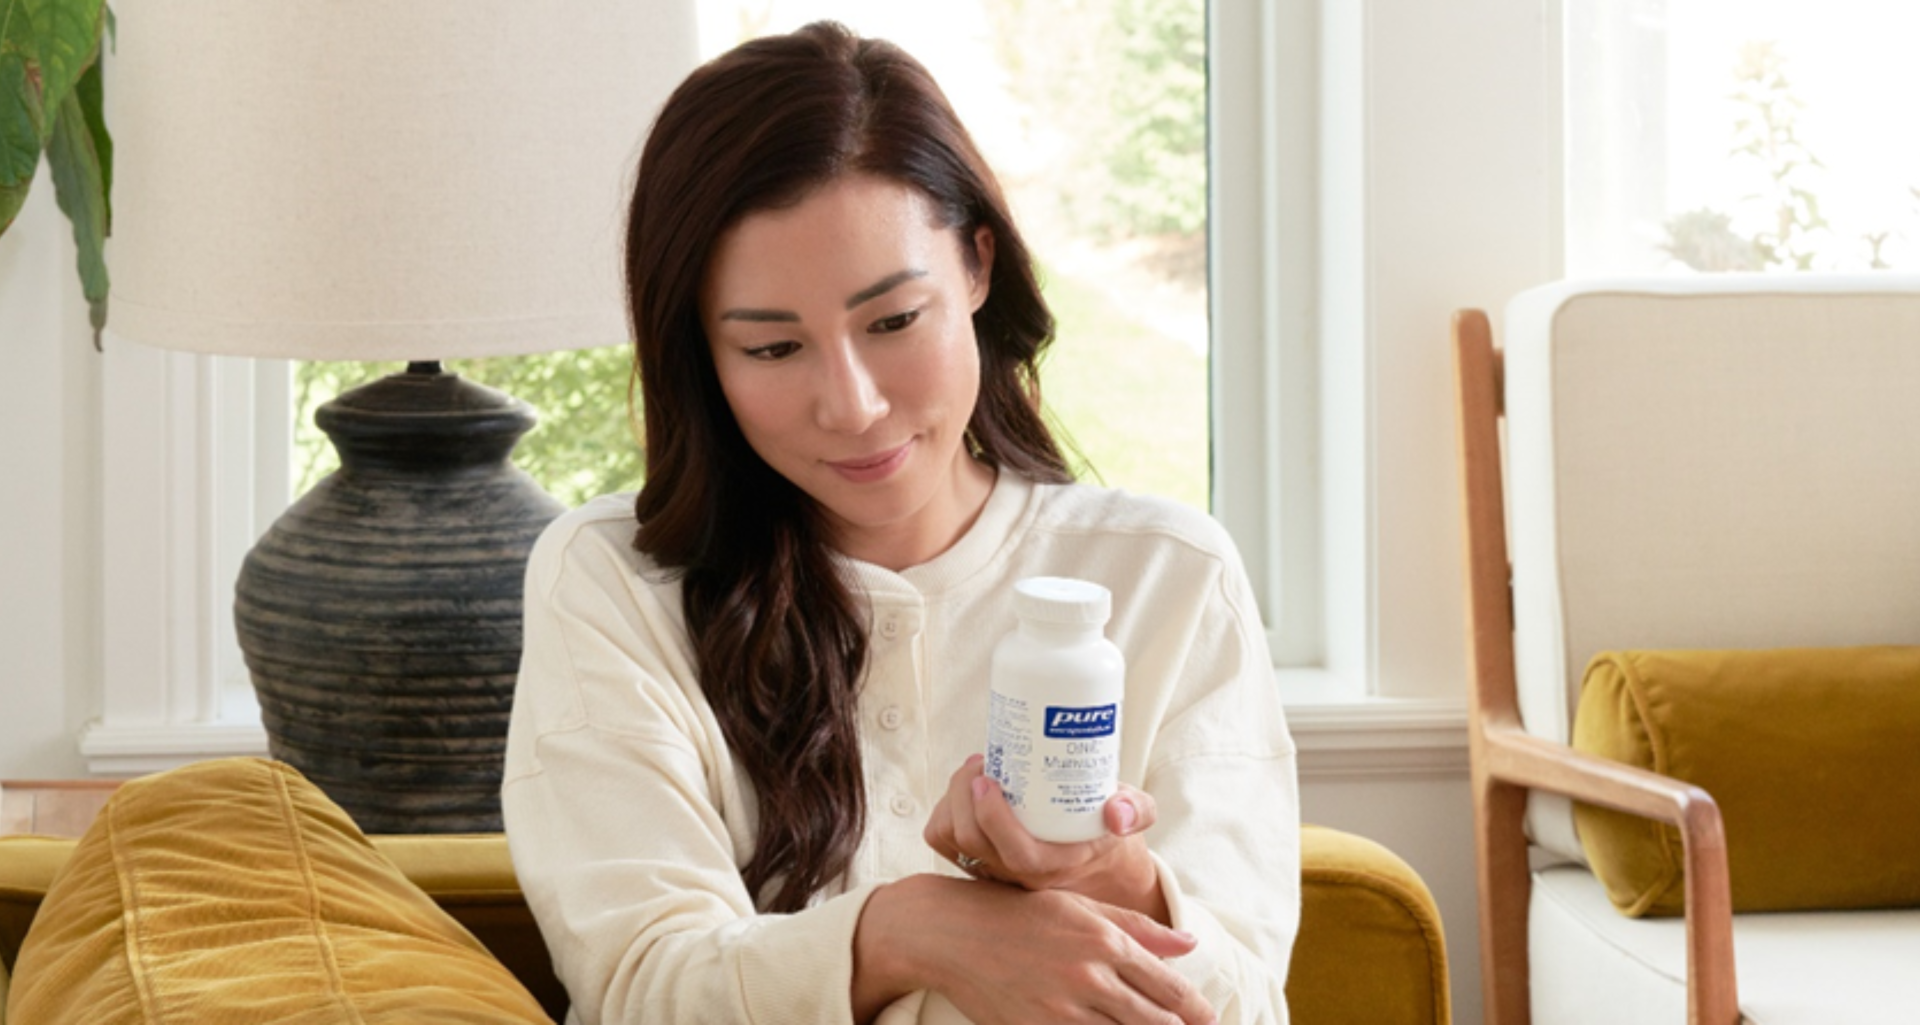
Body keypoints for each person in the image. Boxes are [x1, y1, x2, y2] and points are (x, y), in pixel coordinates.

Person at [501, 21, 1299, 1025]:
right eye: (774, 347)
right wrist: (912, 930)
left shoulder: (1166, 576)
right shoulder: (613, 581)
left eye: (892, 322)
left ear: (975, 267)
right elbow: (640, 986)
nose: (854, 404)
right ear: (702, 354)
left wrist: (1116, 875)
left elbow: (1248, 1006)